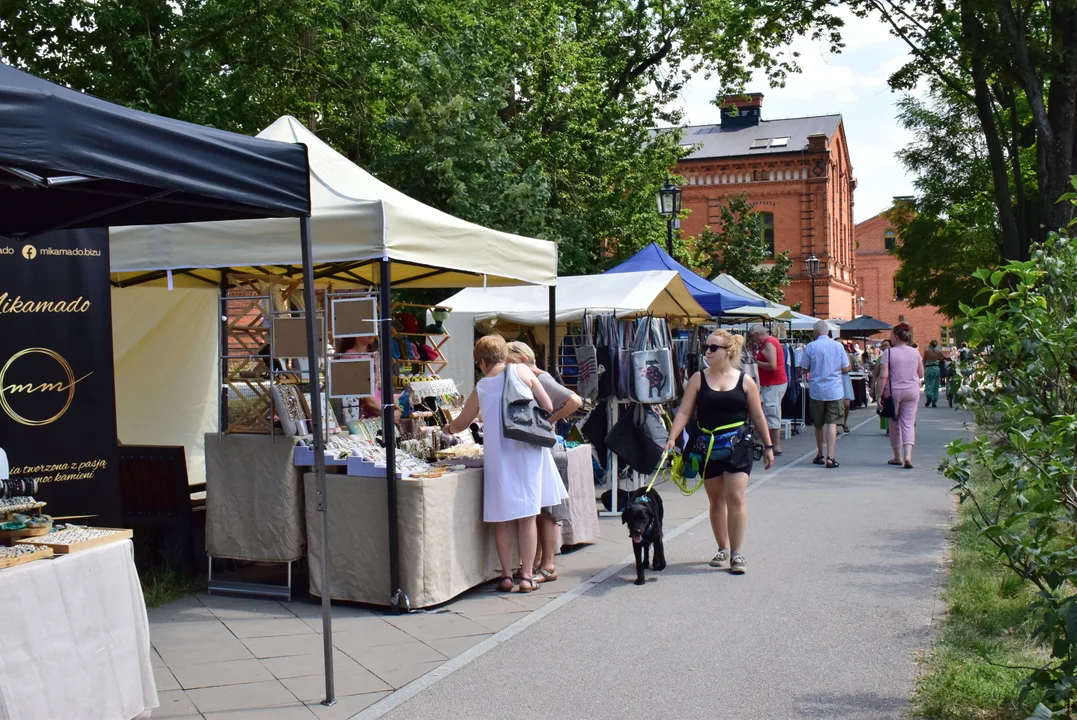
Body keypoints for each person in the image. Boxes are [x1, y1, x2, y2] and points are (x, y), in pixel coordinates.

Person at [443, 334, 567, 593]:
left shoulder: (483, 386)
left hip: (499, 456)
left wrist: (447, 426)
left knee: (502, 518)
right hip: (527, 450)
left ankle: (506, 576)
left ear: (482, 362)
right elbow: (546, 404)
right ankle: (526, 577)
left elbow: (461, 423)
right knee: (527, 516)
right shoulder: (522, 371)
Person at [664, 330, 774, 575]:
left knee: (736, 497)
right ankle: (722, 548)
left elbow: (757, 415)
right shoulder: (697, 379)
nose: (708, 352)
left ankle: (736, 553)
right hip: (707, 446)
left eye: (713, 348)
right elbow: (684, 412)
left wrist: (768, 446)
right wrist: (672, 438)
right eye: (706, 347)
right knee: (716, 500)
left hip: (738, 445)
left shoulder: (745, 381)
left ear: (729, 351)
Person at [505, 341, 581, 584]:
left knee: (548, 511)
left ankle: (547, 565)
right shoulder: (530, 377)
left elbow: (575, 401)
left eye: (508, 361)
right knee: (541, 510)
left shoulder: (540, 377)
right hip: (544, 448)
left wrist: (550, 420)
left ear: (521, 360)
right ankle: (540, 562)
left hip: (549, 449)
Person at [800, 320, 850, 468]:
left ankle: (820, 453)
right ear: (827, 332)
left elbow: (804, 368)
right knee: (832, 423)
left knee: (818, 424)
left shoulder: (811, 347)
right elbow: (846, 368)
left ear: (816, 332)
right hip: (835, 390)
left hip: (817, 391)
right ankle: (831, 456)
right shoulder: (838, 346)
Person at [877, 322, 924, 469]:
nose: (890, 338)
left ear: (897, 337)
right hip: (912, 390)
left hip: (894, 392)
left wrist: (878, 396)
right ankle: (908, 456)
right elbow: (921, 373)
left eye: (891, 335)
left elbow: (883, 376)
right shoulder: (915, 352)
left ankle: (897, 457)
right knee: (908, 424)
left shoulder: (888, 353)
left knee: (894, 424)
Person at [749, 324, 787, 456]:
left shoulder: (769, 343)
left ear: (758, 334)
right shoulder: (769, 342)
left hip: (774, 383)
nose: (754, 341)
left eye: (754, 338)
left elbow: (772, 365)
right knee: (771, 411)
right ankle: (772, 444)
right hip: (772, 383)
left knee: (772, 412)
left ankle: (775, 446)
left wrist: (755, 361)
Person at [872, 340, 891, 435]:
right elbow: (875, 374)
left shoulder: (895, 357)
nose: (884, 347)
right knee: (882, 407)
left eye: (886, 345)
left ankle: (893, 427)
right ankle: (887, 428)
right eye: (883, 345)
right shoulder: (880, 358)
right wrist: (872, 387)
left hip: (892, 385)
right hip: (881, 385)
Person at [923, 340, 945, 408]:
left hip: (929, 368)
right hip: (936, 368)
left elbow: (924, 360)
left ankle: (928, 397)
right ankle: (933, 402)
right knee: (935, 385)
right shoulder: (938, 352)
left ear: (930, 344)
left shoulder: (926, 352)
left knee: (928, 383)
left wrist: (925, 368)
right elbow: (943, 358)